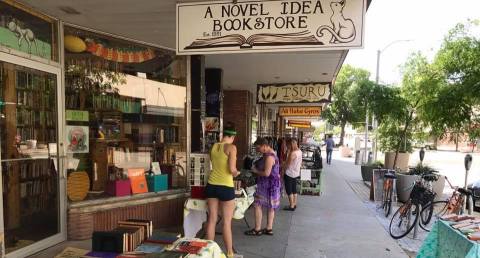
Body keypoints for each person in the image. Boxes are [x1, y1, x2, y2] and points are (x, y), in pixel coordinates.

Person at [205, 122, 241, 258]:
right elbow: (231, 170)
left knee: (212, 219)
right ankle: (230, 253)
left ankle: (208, 252)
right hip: (225, 187)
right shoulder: (232, 147)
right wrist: (237, 173)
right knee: (226, 222)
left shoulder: (214, 146)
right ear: (233, 136)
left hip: (211, 185)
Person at [245, 137, 281, 236]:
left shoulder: (269, 157)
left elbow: (266, 173)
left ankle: (257, 229)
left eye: (258, 147)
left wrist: (255, 171)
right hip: (272, 185)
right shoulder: (268, 154)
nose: (257, 150)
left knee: (257, 205)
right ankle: (269, 228)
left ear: (265, 146)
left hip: (267, 185)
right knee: (271, 207)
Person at [282, 138, 302, 211]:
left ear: (291, 144)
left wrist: (282, 166)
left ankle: (291, 206)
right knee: (294, 189)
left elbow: (288, 165)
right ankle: (294, 203)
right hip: (296, 173)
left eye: (288, 145)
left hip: (289, 173)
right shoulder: (299, 151)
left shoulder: (293, 153)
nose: (287, 147)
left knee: (289, 190)